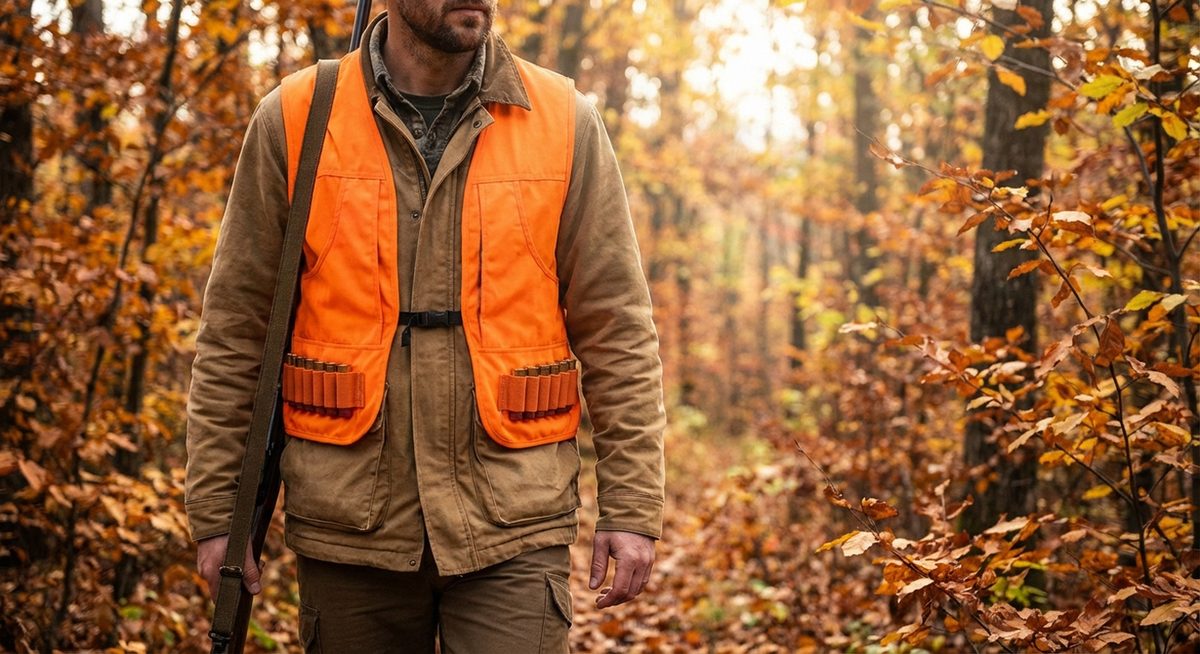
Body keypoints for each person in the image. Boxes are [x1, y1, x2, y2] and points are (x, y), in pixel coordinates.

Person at [184, 0, 666, 651]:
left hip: (515, 523)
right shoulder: (296, 117)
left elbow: (618, 330)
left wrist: (632, 506)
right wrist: (221, 512)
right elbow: (237, 332)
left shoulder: (564, 120)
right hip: (350, 526)